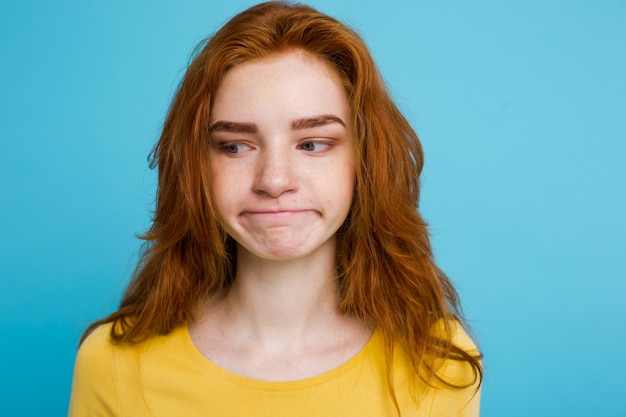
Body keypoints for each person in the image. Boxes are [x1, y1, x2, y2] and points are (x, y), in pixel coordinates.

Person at [68, 2, 482, 416]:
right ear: (196, 166)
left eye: (312, 144)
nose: (274, 180)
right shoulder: (113, 364)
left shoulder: (438, 364)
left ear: (365, 161)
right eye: (235, 146)